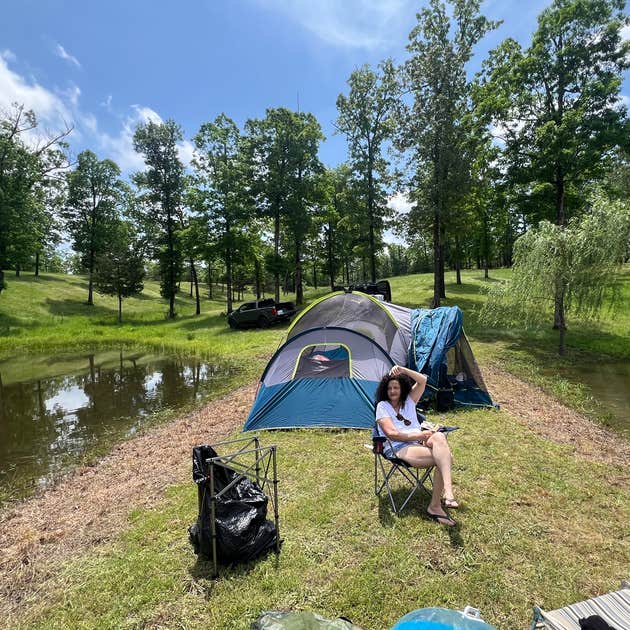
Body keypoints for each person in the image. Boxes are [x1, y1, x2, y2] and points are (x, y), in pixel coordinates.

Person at [375, 364, 458, 527]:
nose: (393, 391)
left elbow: (423, 380)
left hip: (419, 442)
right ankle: (435, 507)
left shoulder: (409, 401)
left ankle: (448, 492)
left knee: (440, 437)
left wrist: (403, 370)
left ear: (402, 388)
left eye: (396, 387)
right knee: (445, 458)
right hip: (398, 447)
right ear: (385, 390)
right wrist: (420, 434)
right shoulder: (382, 406)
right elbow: (392, 434)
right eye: (390, 388)